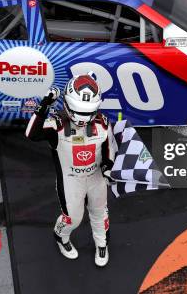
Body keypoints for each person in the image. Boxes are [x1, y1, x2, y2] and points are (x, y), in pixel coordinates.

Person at [25, 74, 115, 267]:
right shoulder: (56, 124)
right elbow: (31, 134)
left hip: (96, 178)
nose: (83, 119)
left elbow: (110, 148)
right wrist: (45, 104)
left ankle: (102, 244)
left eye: (88, 111)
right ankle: (61, 236)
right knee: (73, 218)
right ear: (66, 103)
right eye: (78, 111)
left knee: (100, 213)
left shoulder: (104, 123)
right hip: (70, 180)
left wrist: (108, 166)